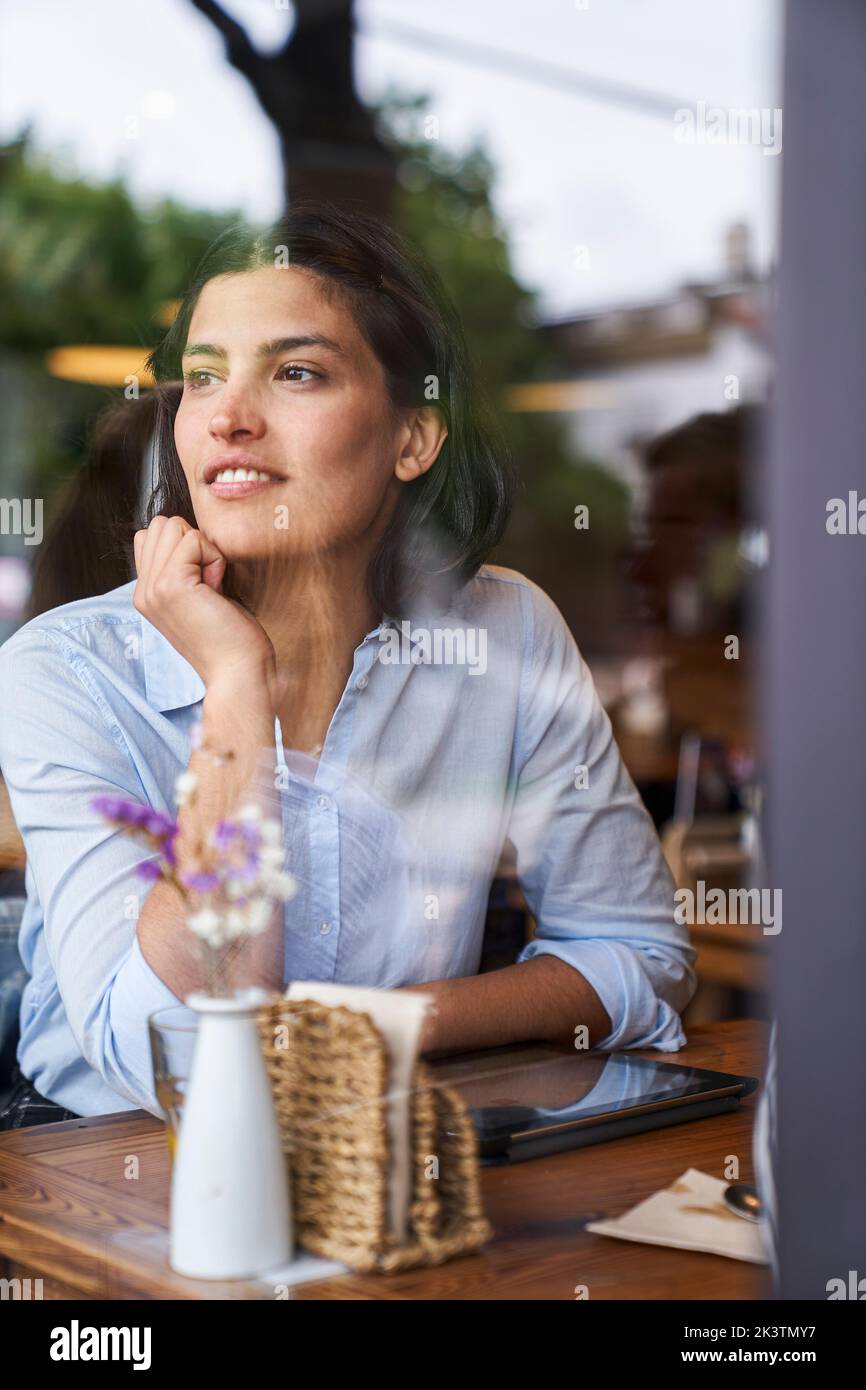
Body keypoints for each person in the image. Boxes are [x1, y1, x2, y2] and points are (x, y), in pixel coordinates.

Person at [0, 203, 696, 1127]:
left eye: (296, 372)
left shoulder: (506, 632)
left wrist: (381, 1025)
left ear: (414, 436)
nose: (228, 419)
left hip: (384, 1160)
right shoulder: (65, 670)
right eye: (202, 378)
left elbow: (639, 955)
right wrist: (235, 686)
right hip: (108, 1181)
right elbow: (191, 1059)